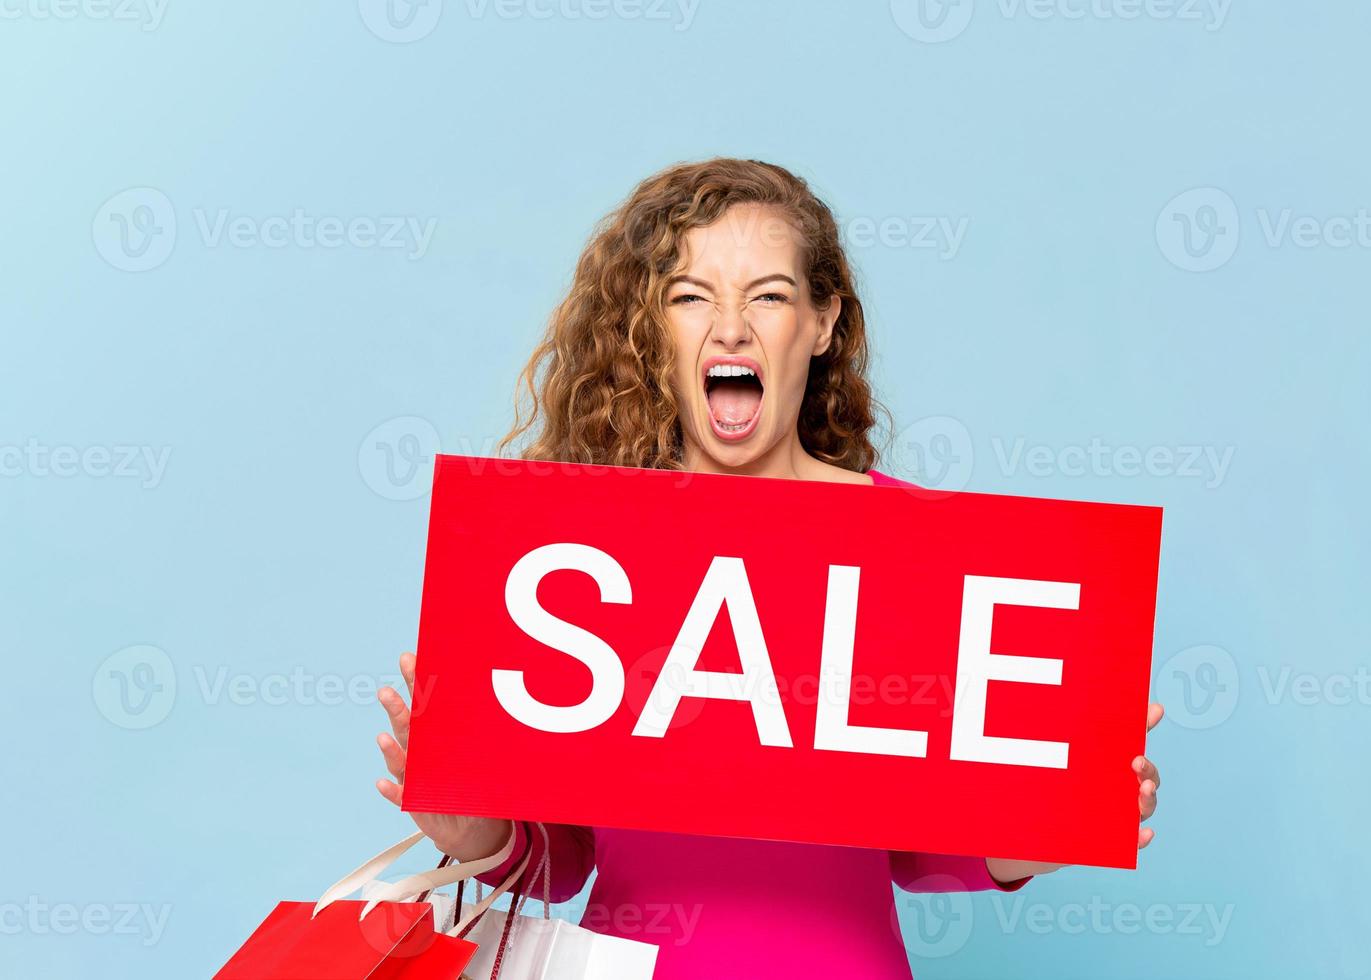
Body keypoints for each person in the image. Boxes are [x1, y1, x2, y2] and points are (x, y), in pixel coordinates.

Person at [373, 158, 1164, 978]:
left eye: (770, 295)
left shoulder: (905, 540)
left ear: (823, 323)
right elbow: (563, 856)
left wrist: (1037, 829)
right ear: (651, 327)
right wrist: (472, 831)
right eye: (691, 296)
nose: (731, 328)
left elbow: (918, 850)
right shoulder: (584, 552)